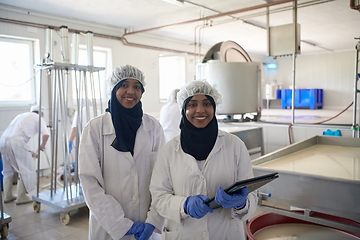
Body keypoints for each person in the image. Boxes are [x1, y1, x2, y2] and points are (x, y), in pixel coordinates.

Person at [150, 80, 258, 240]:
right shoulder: (168, 151)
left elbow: (252, 194)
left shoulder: (235, 145)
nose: (200, 110)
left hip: (226, 233)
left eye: (207, 103)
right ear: (184, 109)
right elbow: (159, 197)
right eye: (192, 104)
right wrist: (183, 206)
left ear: (214, 108)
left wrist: (241, 203)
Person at [78, 65, 166, 240]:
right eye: (124, 85)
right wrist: (119, 224)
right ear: (114, 89)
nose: (130, 91)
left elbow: (163, 178)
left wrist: (154, 220)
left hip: (146, 223)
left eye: (137, 87)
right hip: (108, 226)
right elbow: (90, 182)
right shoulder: (96, 128)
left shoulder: (153, 127)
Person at [0, 105, 50, 205]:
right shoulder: (38, 117)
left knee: (7, 171)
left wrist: (29, 151)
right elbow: (46, 135)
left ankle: (7, 196)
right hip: (17, 142)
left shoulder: (21, 116)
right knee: (26, 170)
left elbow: (14, 137)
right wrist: (42, 145)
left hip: (2, 141)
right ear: (42, 113)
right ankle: (21, 197)